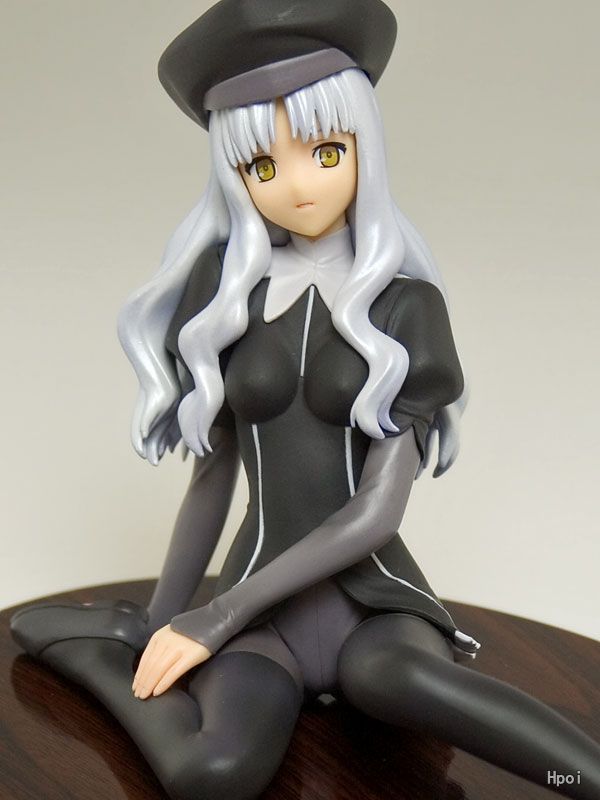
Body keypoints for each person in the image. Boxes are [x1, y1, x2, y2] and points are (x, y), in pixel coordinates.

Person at [10, 2, 600, 799]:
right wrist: (164, 620)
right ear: (235, 175)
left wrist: (215, 616)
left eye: (325, 152)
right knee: (212, 775)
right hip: (259, 624)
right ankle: (105, 659)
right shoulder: (224, 297)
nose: (296, 186)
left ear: (364, 147)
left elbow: (375, 516)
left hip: (373, 606)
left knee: (398, 682)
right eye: (262, 165)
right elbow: (212, 478)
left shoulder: (404, 307)